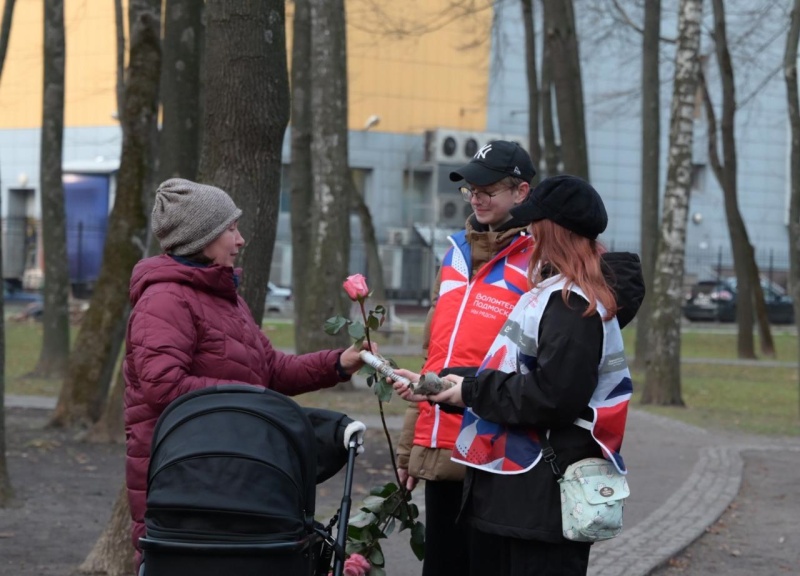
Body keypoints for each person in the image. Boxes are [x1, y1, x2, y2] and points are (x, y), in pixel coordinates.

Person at [396, 174, 641, 576]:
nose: (529, 232)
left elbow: (553, 397)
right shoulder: (555, 294)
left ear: (554, 231)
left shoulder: (573, 306)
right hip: (518, 495)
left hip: (537, 496)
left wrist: (470, 390)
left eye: (535, 223)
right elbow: (515, 372)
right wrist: (446, 385)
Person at [123, 178, 370, 567]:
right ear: (200, 237)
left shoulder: (223, 298)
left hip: (225, 467)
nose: (240, 240)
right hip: (184, 480)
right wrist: (251, 404)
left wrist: (338, 363)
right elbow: (164, 387)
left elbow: (268, 371)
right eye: (231, 229)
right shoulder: (165, 299)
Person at [395, 140, 538, 576]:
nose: (476, 198)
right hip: (442, 448)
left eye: (488, 189)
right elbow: (434, 358)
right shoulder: (454, 254)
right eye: (470, 189)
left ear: (522, 192)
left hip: (501, 451)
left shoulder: (540, 260)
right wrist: (410, 448)